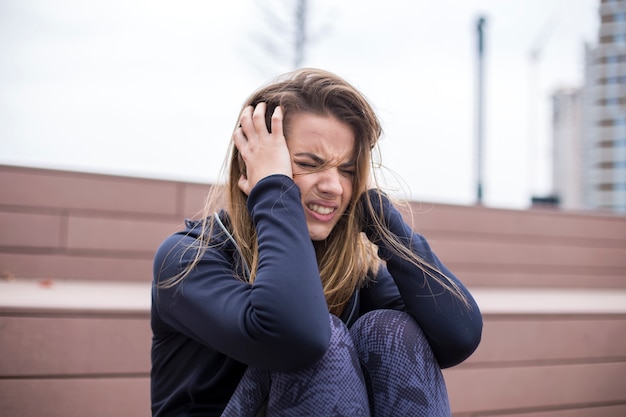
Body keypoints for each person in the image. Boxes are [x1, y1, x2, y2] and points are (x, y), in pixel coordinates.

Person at [151, 68, 482, 417]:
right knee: (323, 340)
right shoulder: (187, 258)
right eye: (309, 163)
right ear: (252, 165)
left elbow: (457, 337)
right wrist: (275, 192)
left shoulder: (352, 272)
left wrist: (384, 223)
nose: (334, 187)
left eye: (348, 170)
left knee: (392, 331)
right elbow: (297, 336)